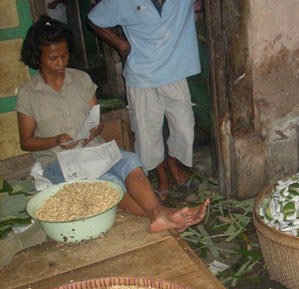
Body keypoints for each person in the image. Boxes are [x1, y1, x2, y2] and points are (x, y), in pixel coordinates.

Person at [15, 17, 209, 233]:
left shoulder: (81, 79)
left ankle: (159, 213)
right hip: (59, 160)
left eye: (65, 56)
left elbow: (96, 122)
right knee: (109, 182)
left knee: (131, 162)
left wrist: (92, 131)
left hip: (93, 150)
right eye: (53, 59)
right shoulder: (29, 94)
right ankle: (163, 214)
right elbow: (26, 142)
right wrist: (56, 140)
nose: (61, 63)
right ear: (38, 58)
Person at [87, 0, 200, 199]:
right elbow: (94, 20)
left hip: (176, 73)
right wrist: (120, 43)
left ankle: (172, 163)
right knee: (147, 135)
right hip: (141, 78)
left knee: (185, 131)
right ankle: (162, 175)